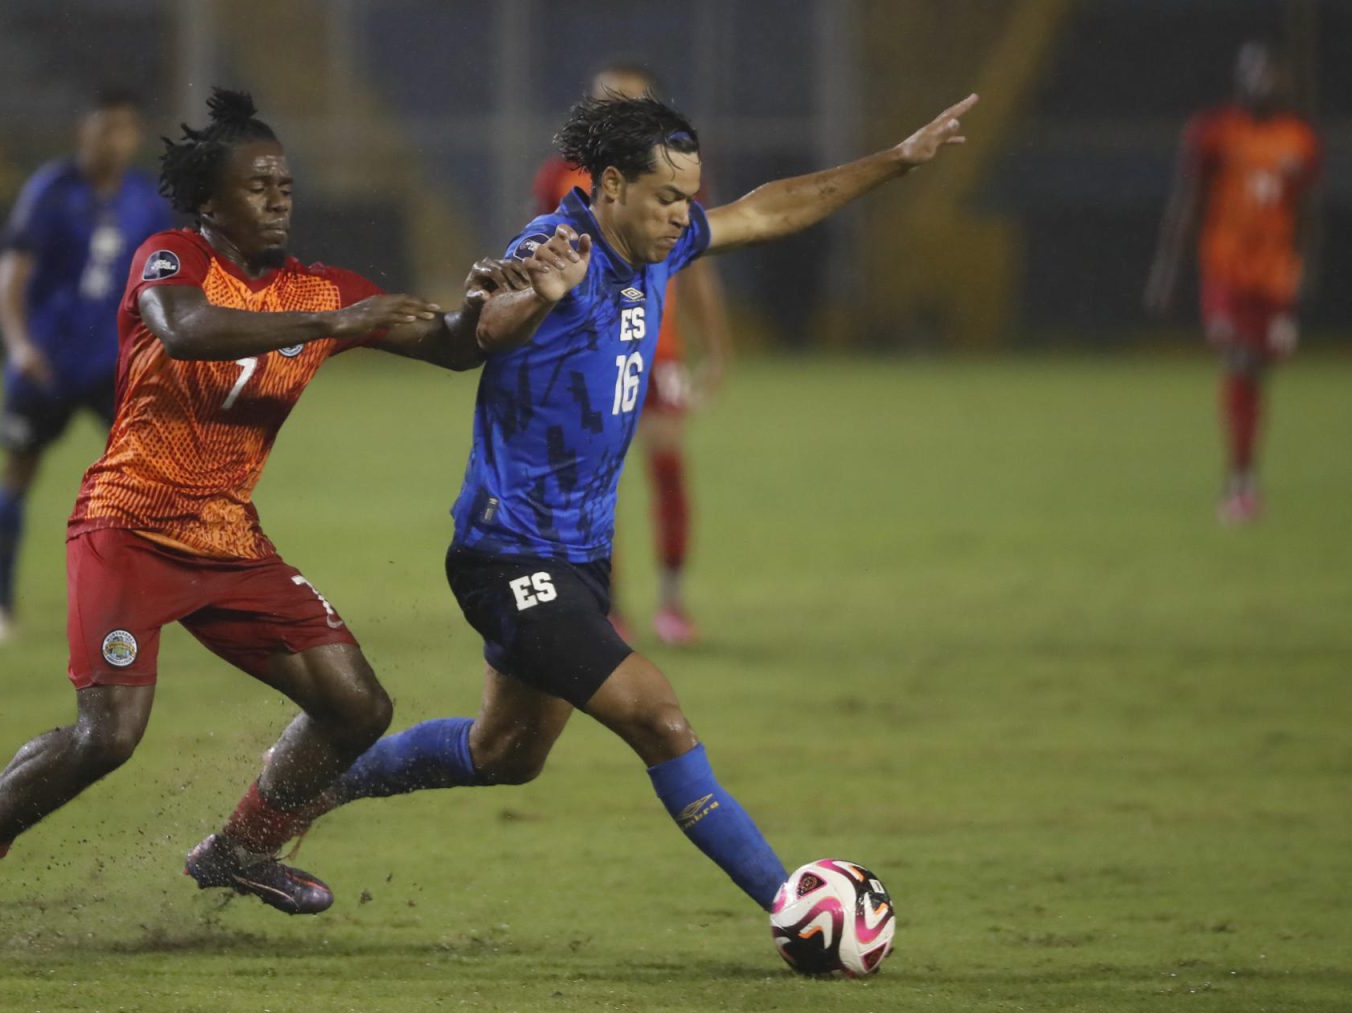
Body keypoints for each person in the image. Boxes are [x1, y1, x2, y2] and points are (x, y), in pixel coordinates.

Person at [265, 90, 977, 919]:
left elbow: (769, 210)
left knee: (505, 753)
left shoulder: (656, 251)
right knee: (659, 717)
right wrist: (535, 296)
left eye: (689, 197)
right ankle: (795, 909)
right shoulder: (554, 247)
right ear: (609, 186)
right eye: (667, 197)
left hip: (578, 556)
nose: (684, 215)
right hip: (511, 555)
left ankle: (295, 797)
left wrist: (895, 161)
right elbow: (486, 327)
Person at [0, 89, 522, 973]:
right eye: (257, 186)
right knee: (106, 736)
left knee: (357, 706)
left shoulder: (320, 284)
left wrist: (510, 302)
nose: (279, 197)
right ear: (211, 202)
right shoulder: (171, 258)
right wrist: (335, 323)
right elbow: (183, 333)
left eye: (285, 183)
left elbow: (453, 344)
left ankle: (238, 849)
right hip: (128, 526)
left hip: (228, 539)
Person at [531, 62, 731, 646]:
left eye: (630, 103)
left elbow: (694, 264)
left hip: (657, 347)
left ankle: (672, 600)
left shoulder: (675, 171)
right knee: (595, 480)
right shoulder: (560, 176)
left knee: (667, 465)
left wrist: (715, 349)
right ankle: (608, 606)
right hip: (589, 351)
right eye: (605, 101)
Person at [0, 89, 172, 646]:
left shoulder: (144, 199)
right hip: (46, 362)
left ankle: (142, 602)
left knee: (148, 477)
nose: (116, 140)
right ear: (82, 132)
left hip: (113, 365)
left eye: (126, 129)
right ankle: (1, 603)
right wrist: (18, 345)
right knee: (20, 469)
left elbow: (162, 281)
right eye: (105, 128)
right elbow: (10, 274)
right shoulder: (51, 190)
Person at [1145, 41, 1322, 524]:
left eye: (1274, 74)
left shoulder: (1298, 138)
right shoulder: (1215, 132)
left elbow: (1305, 213)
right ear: (1240, 76)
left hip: (1274, 277)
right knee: (1240, 360)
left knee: (1257, 371)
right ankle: (1239, 484)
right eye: (1257, 72)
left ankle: (1243, 474)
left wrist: (1304, 273)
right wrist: (1167, 270)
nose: (1267, 82)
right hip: (1225, 269)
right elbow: (1188, 201)